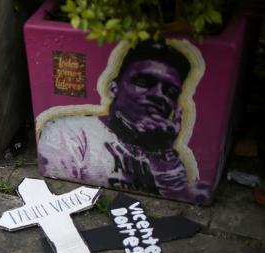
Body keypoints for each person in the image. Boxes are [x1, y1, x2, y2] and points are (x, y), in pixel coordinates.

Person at [38, 41, 208, 202]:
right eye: (143, 82)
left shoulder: (166, 154)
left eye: (170, 91)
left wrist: (162, 154)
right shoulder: (68, 132)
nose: (158, 95)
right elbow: (60, 191)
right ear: (114, 88)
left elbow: (178, 203)